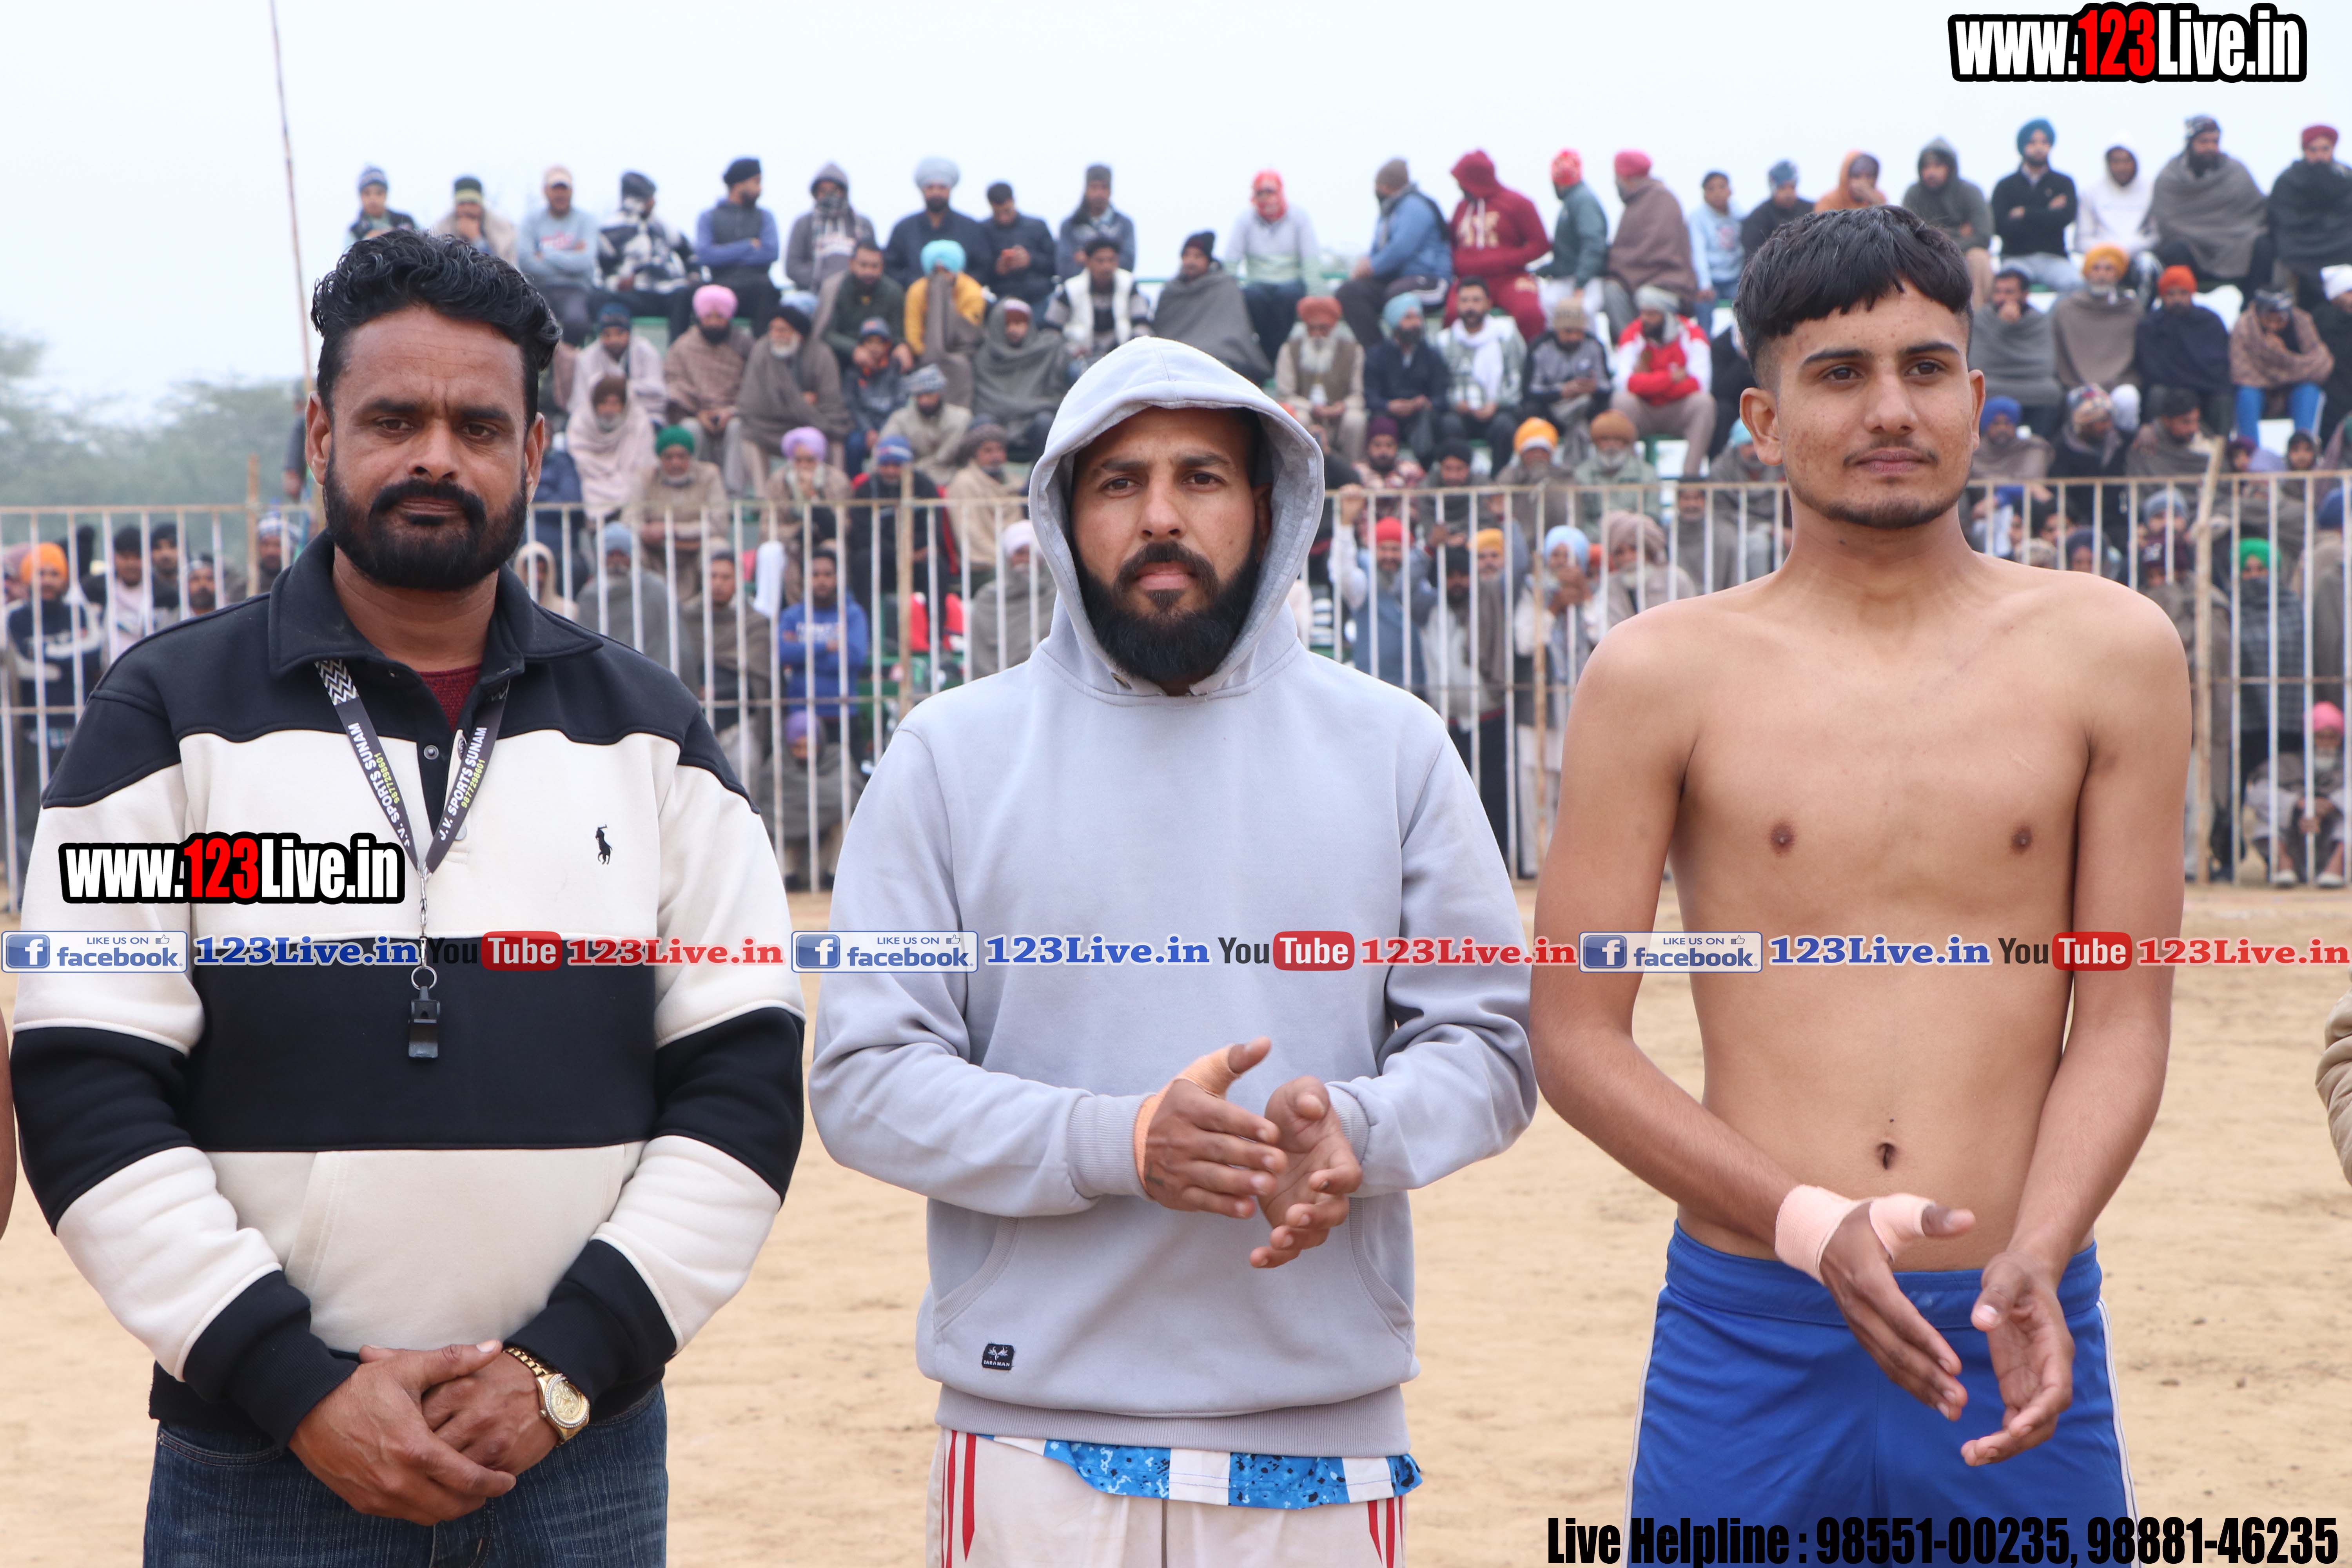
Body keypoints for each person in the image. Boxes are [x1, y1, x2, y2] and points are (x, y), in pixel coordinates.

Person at [12, 229, 800, 1562]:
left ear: (534, 451)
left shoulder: (651, 733)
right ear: (321, 433)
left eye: (477, 426)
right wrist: (294, 1388)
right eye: (393, 419)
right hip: (258, 1456)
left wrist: (562, 1371)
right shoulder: (165, 717)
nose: (436, 455)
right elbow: (86, 1077)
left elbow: (745, 1078)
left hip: (578, 1451)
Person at [811, 336, 1532, 1561]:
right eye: (1118, 482)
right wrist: (1119, 1141)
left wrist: (1356, 1132)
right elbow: (866, 1080)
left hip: (1321, 1435)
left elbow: (1490, 1046)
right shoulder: (946, 756)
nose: (1159, 515)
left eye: (1200, 476)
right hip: (1030, 1436)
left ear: (1269, 506)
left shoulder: (1395, 746)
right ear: (1061, 514)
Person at [1536, 201, 2178, 1518]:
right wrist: (1806, 1225)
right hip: (1751, 1324)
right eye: (1839, 374)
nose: (1892, 409)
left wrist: (2041, 1250)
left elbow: (2123, 1016)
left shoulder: (2112, 653)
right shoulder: (1658, 675)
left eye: (1926, 368)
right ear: (1764, 422)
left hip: (2014, 1314)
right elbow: (1576, 1034)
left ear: (1976, 399)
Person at [2149, 116, 2273, 299]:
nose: (2210, 147)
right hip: (2192, 248)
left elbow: (2257, 211)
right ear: (2190, 143)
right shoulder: (2171, 176)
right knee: (2174, 250)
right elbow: (2167, 222)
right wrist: (2200, 236)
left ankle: (2253, 308)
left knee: (2264, 246)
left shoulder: (2235, 172)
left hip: (2235, 246)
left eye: (2215, 142)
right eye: (2203, 142)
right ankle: (2181, 310)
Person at [1335, 158, 1453, 351]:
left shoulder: (1416, 207)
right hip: (1395, 282)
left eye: (1379, 185)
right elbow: (1377, 250)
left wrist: (1372, 267)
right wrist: (1365, 265)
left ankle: (1418, 359)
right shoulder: (1388, 211)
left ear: (1389, 186)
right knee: (1349, 293)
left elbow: (1400, 250)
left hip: (1431, 282)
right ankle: (1379, 355)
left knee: (1398, 296)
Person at [1610, 286, 1716, 476]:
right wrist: (1670, 379)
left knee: (1704, 403)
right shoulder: (1632, 333)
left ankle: (1690, 480)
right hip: (1644, 409)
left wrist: (1646, 383)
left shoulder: (1693, 334)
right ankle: (1636, 478)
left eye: (1651, 315)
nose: (1645, 319)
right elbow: (1626, 384)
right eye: (1643, 313)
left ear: (1668, 316)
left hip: (1678, 409)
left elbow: (1700, 384)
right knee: (1622, 401)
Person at [739, 297, 849, 481]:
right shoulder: (762, 350)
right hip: (771, 426)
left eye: (783, 330)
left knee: (836, 437)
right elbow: (752, 402)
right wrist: (799, 402)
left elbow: (831, 403)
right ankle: (763, 496)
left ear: (799, 334)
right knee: (748, 434)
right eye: (773, 329)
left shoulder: (822, 354)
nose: (776, 335)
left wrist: (797, 405)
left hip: (814, 425)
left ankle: (835, 492)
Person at [1445, 150, 1549, 343]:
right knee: (1452, 315)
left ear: (1475, 179)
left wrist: (1505, 260)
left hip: (1510, 279)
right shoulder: (1461, 208)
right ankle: (1457, 360)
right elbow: (1452, 244)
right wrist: (1460, 263)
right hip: (1470, 281)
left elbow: (1541, 244)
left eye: (1463, 181)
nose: (1460, 186)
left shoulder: (1518, 203)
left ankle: (1533, 360)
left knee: (1530, 314)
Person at [1226, 170, 1326, 366]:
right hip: (1257, 284)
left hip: (1290, 284)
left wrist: (1317, 298)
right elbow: (1231, 261)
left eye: (1270, 192)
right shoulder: (1244, 220)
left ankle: (1272, 359)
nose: (1266, 199)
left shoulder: (1299, 217)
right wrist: (1227, 295)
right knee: (1253, 298)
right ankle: (1271, 359)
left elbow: (1311, 260)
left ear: (1280, 192)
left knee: (1287, 297)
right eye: (1260, 193)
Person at [664, 284, 755, 492]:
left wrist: (731, 411)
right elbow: (675, 382)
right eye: (709, 316)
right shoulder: (683, 346)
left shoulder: (745, 345)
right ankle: (697, 493)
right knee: (689, 429)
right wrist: (698, 413)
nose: (714, 322)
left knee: (738, 428)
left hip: (735, 414)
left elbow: (755, 386)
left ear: (729, 318)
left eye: (720, 317)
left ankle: (734, 495)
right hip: (696, 413)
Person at [1151, 232, 1272, 383]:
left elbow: (1234, 330)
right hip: (1178, 357)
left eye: (1198, 256)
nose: (1191, 261)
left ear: (1208, 260)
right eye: (1187, 255)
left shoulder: (1225, 286)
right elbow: (1163, 332)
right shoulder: (1171, 292)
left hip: (1221, 356)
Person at [1604, 151, 1700, 339]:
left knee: (1647, 297)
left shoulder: (1664, 200)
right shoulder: (1633, 205)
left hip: (1669, 282)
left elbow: (1656, 251)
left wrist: (1625, 264)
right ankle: (1631, 347)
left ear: (1627, 178)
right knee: (1611, 291)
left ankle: (1665, 351)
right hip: (1635, 281)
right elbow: (1626, 251)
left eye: (1617, 178)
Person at [595, 171, 700, 339]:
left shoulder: (661, 225)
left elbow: (689, 253)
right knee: (603, 300)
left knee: (687, 295)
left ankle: (677, 351)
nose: (654, 202)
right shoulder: (610, 228)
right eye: (649, 198)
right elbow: (602, 271)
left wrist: (693, 276)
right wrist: (618, 283)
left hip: (668, 291)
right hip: (634, 295)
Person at [2135, 264, 2234, 434]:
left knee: (2223, 398)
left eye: (2183, 293)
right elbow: (2151, 369)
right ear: (2162, 296)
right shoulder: (2150, 325)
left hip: (2206, 389)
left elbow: (2219, 366)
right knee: (2156, 394)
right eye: (2171, 294)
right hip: (2170, 388)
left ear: (2192, 293)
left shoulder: (2210, 322)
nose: (2177, 299)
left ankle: (2221, 448)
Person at [776, 544, 868, 726]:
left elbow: (854, 658)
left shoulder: (853, 614)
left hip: (843, 713)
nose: (822, 581)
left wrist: (801, 653)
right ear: (805, 579)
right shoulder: (791, 616)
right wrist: (826, 647)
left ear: (838, 578)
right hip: (801, 716)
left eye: (828, 574)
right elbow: (782, 653)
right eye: (815, 575)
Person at [1992, 118, 2082, 296]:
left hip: (2054, 259)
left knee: (2076, 286)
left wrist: (2024, 213)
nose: (2039, 148)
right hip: (2016, 259)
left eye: (2044, 142)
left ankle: (2051, 316)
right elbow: (2001, 227)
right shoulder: (2005, 186)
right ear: (2022, 146)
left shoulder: (2063, 183)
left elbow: (2065, 218)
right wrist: (2047, 211)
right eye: (2032, 143)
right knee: (2006, 291)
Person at [1971, 267, 2065, 438]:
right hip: (1994, 382)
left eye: (2009, 292)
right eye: (1998, 292)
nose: (2002, 298)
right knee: (1976, 391)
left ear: (2025, 295)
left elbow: (2045, 366)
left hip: (2032, 384)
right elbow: (1979, 362)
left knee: (2052, 392)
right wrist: (2002, 326)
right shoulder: (1983, 318)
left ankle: (2040, 445)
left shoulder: (2039, 321)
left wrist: (2005, 361)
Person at [2230, 287, 2335, 438]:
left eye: (2279, 321)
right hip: (2259, 391)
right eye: (2268, 320)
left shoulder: (2302, 321)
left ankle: (2304, 446)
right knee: (2246, 394)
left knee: (2309, 391)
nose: (2273, 326)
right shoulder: (2244, 326)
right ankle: (2250, 450)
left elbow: (2322, 365)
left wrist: (2282, 355)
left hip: (2293, 390)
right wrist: (2290, 367)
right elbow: (2241, 373)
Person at [971, 298, 1068, 462]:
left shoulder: (1046, 351)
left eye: (1019, 324)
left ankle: (1041, 476)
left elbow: (1055, 397)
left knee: (1046, 422)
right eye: (1007, 325)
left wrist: (1022, 408)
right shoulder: (984, 357)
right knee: (983, 424)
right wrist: (1025, 407)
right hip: (998, 420)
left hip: (1033, 421)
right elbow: (985, 402)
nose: (1012, 330)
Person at [1437, 276, 1525, 455]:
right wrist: (1457, 404)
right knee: (1448, 424)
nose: (1470, 307)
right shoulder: (1445, 340)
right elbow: (1441, 385)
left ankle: (1499, 474)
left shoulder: (1506, 335)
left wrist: (1496, 404)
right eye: (1465, 301)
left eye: (1476, 301)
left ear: (1488, 304)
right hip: (1462, 413)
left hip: (1498, 410)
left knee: (1505, 426)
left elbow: (1517, 379)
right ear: (1457, 305)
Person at [1274, 295, 1366, 463]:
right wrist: (1311, 408)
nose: (1317, 335)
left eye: (1324, 329)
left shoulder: (1353, 351)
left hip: (1338, 417)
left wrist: (1342, 407)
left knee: (1356, 419)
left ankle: (1352, 470)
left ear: (1334, 327)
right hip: (1307, 412)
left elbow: (1358, 395)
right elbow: (1285, 395)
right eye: (1312, 328)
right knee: (1299, 417)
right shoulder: (1289, 350)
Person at [1904, 139, 1996, 304]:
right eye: (1926, 167)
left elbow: (1983, 237)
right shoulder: (1913, 194)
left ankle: (1978, 316)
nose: (1931, 173)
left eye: (1937, 166)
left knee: (1979, 258)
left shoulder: (1970, 192)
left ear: (1951, 168)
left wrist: (1939, 237)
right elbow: (1908, 235)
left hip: (1965, 253)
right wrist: (1957, 232)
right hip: (1926, 256)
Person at [695, 157, 781, 331]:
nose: (760, 188)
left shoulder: (765, 217)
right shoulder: (709, 217)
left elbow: (770, 253)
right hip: (720, 285)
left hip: (757, 289)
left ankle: (761, 347)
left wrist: (724, 255)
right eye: (756, 182)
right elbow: (706, 256)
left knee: (768, 291)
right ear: (739, 185)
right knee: (695, 293)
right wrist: (748, 246)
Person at [1364, 295, 1451, 464]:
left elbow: (1442, 398)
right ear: (1395, 323)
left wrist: (1424, 403)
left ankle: (1424, 467)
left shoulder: (1432, 355)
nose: (1415, 324)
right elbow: (1371, 397)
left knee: (1435, 420)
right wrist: (1389, 406)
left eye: (1418, 317)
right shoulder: (1377, 355)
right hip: (1388, 414)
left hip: (1421, 416)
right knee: (1380, 421)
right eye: (1408, 318)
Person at [965, 518, 1057, 679]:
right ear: (1007, 558)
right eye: (1019, 553)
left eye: (1031, 554)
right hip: (994, 684)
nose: (1025, 560)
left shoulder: (1055, 599)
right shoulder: (988, 599)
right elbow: (979, 655)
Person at [2271, 126, 2352, 307]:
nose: (2320, 156)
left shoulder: (2346, 177)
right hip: (2302, 242)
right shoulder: (2288, 180)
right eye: (2313, 150)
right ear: (2305, 151)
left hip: (2339, 239)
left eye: (2325, 149)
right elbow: (2282, 217)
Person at [1521, 296, 1609, 461]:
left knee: (1605, 409)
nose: (1574, 337)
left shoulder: (1594, 346)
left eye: (1579, 332)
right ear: (1557, 329)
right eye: (1568, 332)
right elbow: (1530, 390)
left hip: (1585, 409)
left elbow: (1606, 386)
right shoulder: (1540, 347)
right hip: (1552, 410)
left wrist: (1593, 389)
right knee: (1531, 409)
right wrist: (1561, 392)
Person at [517, 166, 598, 344]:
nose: (560, 194)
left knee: (577, 321)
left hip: (575, 289)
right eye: (555, 189)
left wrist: (546, 254)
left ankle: (570, 358)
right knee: (532, 321)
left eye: (564, 189)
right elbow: (526, 262)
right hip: (539, 287)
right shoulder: (531, 221)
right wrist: (571, 255)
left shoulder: (586, 221)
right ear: (546, 191)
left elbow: (585, 262)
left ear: (572, 191)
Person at [1049, 235, 1153, 375]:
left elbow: (1143, 325)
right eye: (1100, 261)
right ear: (1088, 262)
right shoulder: (1070, 289)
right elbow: (1051, 332)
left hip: (1122, 357)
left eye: (1112, 260)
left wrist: (1132, 348)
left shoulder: (1129, 285)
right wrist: (1070, 351)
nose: (1107, 267)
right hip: (1081, 359)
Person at [903, 240, 988, 407]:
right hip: (926, 355)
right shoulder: (917, 291)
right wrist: (931, 355)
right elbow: (913, 335)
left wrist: (944, 301)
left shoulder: (973, 292)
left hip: (962, 354)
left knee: (961, 367)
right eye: (936, 272)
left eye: (946, 271)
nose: (941, 277)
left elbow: (967, 334)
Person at [884, 156, 989, 288]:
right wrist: (919, 284)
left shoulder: (971, 228)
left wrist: (957, 282)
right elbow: (890, 268)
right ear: (923, 190)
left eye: (942, 187)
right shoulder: (904, 229)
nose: (936, 193)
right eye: (930, 187)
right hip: (915, 298)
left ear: (950, 189)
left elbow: (984, 268)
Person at [2050, 245, 2142, 392]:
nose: (2102, 275)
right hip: (2078, 385)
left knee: (2128, 396)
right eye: (2096, 268)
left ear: (2118, 274)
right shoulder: (2066, 309)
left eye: (2109, 269)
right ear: (2087, 273)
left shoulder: (2131, 310)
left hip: (2121, 384)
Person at [2047, 386, 2134, 541]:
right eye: (2101, 421)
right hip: (2079, 522)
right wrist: (2076, 520)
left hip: (2117, 521)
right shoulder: (2061, 448)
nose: (2108, 426)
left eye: (2109, 419)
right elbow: (2059, 492)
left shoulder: (2121, 441)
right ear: (2084, 423)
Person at [570, 372, 657, 521]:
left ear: (624, 405)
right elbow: (582, 463)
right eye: (604, 403)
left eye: (615, 403)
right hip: (589, 487)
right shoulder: (580, 424)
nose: (609, 410)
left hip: (632, 499)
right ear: (594, 404)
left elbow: (643, 467)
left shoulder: (639, 423)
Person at [1538, 149, 1610, 320]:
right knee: (1546, 305)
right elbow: (1569, 255)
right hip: (1572, 277)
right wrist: (1546, 270)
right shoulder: (1573, 200)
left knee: (1580, 317)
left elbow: (1594, 244)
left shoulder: (1583, 201)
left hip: (1586, 280)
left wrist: (1581, 283)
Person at [2077, 145, 2159, 296]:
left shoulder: (2151, 190)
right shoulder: (2091, 192)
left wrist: (2130, 247)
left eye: (2127, 161)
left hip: (2137, 254)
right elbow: (2082, 240)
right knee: (2094, 271)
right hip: (2100, 257)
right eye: (2116, 161)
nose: (2122, 167)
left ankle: (2141, 311)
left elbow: (2156, 236)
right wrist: (2111, 252)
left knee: (2148, 266)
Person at [942, 421, 1023, 572]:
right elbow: (970, 532)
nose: (996, 456)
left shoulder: (1016, 483)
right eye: (988, 451)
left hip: (1018, 562)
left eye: (1000, 449)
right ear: (975, 455)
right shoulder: (964, 483)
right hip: (982, 564)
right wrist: (1004, 560)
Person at [819, 241, 909, 372]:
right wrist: (854, 349)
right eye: (864, 265)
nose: (869, 271)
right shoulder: (835, 289)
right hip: (843, 359)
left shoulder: (894, 292)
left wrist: (901, 346)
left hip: (883, 358)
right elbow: (827, 334)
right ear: (852, 264)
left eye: (875, 266)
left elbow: (897, 334)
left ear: (882, 267)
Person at [785, 162, 874, 293]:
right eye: (823, 191)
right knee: (794, 302)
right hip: (813, 293)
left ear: (844, 192)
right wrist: (826, 280)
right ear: (816, 194)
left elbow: (874, 260)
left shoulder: (863, 224)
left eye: (834, 190)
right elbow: (792, 267)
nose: (829, 195)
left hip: (857, 293)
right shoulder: (803, 223)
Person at [878, 366, 973, 488]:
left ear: (939, 392)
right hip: (908, 478)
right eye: (920, 396)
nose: (924, 401)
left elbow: (946, 456)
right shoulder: (900, 419)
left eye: (929, 394)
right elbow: (885, 447)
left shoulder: (961, 418)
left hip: (950, 476)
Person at [575, 301, 666, 422]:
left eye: (620, 333)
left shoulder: (646, 351)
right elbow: (579, 402)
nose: (614, 340)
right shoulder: (587, 357)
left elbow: (659, 393)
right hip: (599, 421)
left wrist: (622, 388)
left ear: (629, 332)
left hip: (646, 417)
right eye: (607, 334)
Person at [976, 181, 1059, 311]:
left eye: (1007, 212)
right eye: (998, 213)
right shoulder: (983, 231)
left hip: (1040, 297)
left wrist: (1030, 260)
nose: (1003, 218)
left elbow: (1056, 266)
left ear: (1013, 201)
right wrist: (998, 269)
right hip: (1003, 298)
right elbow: (978, 273)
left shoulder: (1037, 226)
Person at [1572, 408, 1661, 527]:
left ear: (1626, 443)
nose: (1611, 445)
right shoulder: (1582, 474)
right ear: (1597, 443)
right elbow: (1579, 520)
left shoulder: (1647, 474)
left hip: (1635, 534)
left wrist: (1624, 532)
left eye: (1617, 440)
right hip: (1594, 536)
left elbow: (1652, 516)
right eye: (1605, 439)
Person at [843, 319, 908, 475]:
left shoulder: (896, 368)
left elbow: (900, 402)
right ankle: (857, 483)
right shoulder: (853, 372)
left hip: (891, 424)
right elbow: (853, 405)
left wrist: (885, 431)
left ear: (888, 345)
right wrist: (868, 431)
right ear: (862, 345)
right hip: (863, 427)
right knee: (853, 445)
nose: (874, 347)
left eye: (879, 342)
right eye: (870, 342)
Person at [1054, 163, 1136, 279]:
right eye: (1094, 188)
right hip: (1078, 288)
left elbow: (1128, 264)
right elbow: (1065, 267)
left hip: (1116, 287)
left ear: (1110, 191)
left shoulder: (1124, 224)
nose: (1099, 193)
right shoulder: (1070, 225)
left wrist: (1088, 260)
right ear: (1086, 190)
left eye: (1104, 188)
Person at [2127, 384, 2220, 480]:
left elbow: (2222, 471)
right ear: (2166, 420)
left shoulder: (2205, 434)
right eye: (2186, 422)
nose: (2194, 429)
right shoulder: (2147, 443)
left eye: (2196, 421)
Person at [430, 175, 518, 264]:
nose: (467, 209)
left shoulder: (502, 229)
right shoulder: (441, 229)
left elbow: (504, 266)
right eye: (462, 204)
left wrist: (477, 239)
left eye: (472, 203)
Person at [1688, 171, 1744, 311]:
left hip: (1737, 277)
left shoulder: (1740, 214)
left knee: (1748, 304)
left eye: (1722, 187)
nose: (1718, 193)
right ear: (1704, 195)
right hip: (1712, 279)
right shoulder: (1697, 217)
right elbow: (1698, 252)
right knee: (1703, 303)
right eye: (1711, 189)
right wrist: (1705, 284)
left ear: (1730, 191)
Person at [1742, 160, 1813, 257]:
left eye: (1792, 187)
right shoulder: (1758, 218)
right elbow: (1752, 254)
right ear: (1773, 188)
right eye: (1782, 188)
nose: (1788, 193)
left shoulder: (1811, 210)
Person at [343, 165, 416, 249]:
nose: (373, 198)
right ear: (360, 196)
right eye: (367, 193)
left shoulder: (406, 221)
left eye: (379, 193)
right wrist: (366, 243)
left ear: (386, 195)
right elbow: (348, 254)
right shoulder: (355, 232)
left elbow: (425, 246)